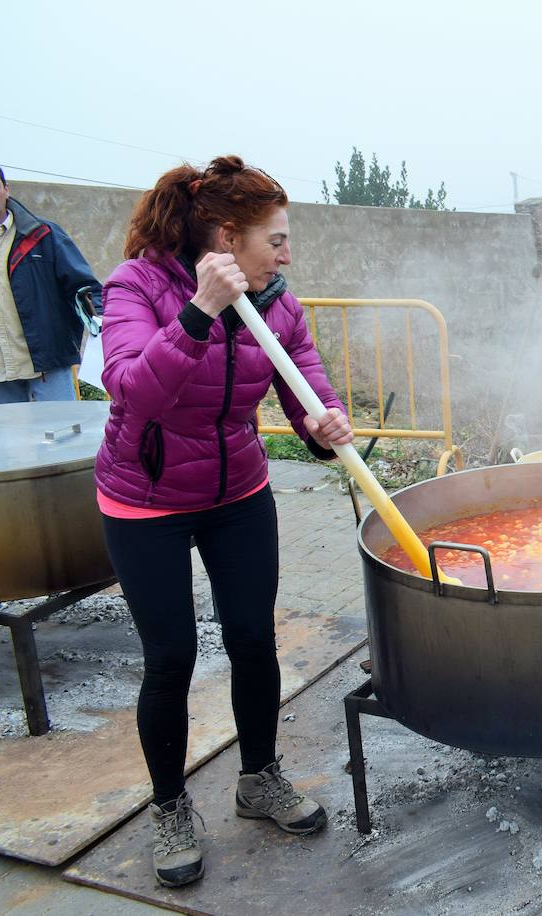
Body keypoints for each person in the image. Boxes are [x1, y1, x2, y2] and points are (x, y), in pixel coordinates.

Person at [95, 156, 354, 887]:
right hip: (144, 498)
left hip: (238, 490)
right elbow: (131, 391)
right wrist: (199, 313)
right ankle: (171, 806)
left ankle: (259, 779)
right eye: (275, 238)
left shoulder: (279, 301)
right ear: (228, 236)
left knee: (252, 638)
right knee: (171, 658)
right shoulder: (136, 287)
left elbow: (304, 376)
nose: (286, 252)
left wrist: (322, 422)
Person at [0, 160, 102, 403]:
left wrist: (104, 323)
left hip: (48, 364)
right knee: (10, 441)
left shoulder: (42, 235)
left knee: (62, 435)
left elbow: (83, 288)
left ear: (6, 189)